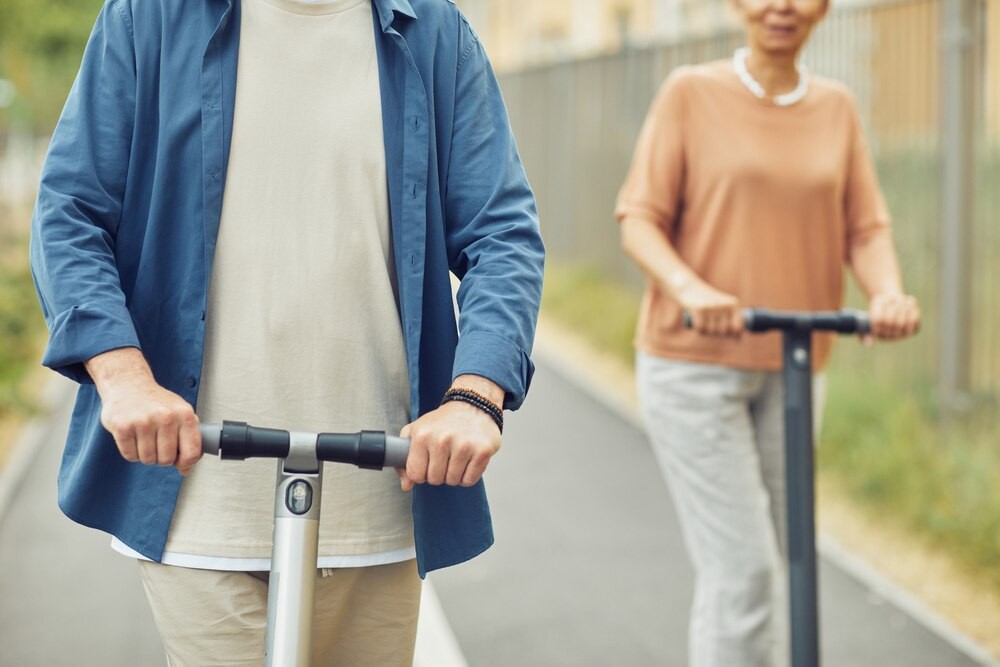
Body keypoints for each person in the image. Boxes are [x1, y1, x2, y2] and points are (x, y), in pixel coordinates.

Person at [29, 0, 544, 664]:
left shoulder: (434, 33)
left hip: (384, 493)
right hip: (195, 498)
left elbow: (502, 233)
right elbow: (70, 210)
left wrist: (476, 396)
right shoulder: (148, 18)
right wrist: (124, 378)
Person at [615, 1, 920, 665]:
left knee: (765, 561)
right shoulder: (690, 93)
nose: (781, 6)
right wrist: (693, 289)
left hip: (795, 366)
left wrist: (888, 293)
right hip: (692, 364)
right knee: (745, 571)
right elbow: (639, 218)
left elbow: (865, 227)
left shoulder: (836, 107)